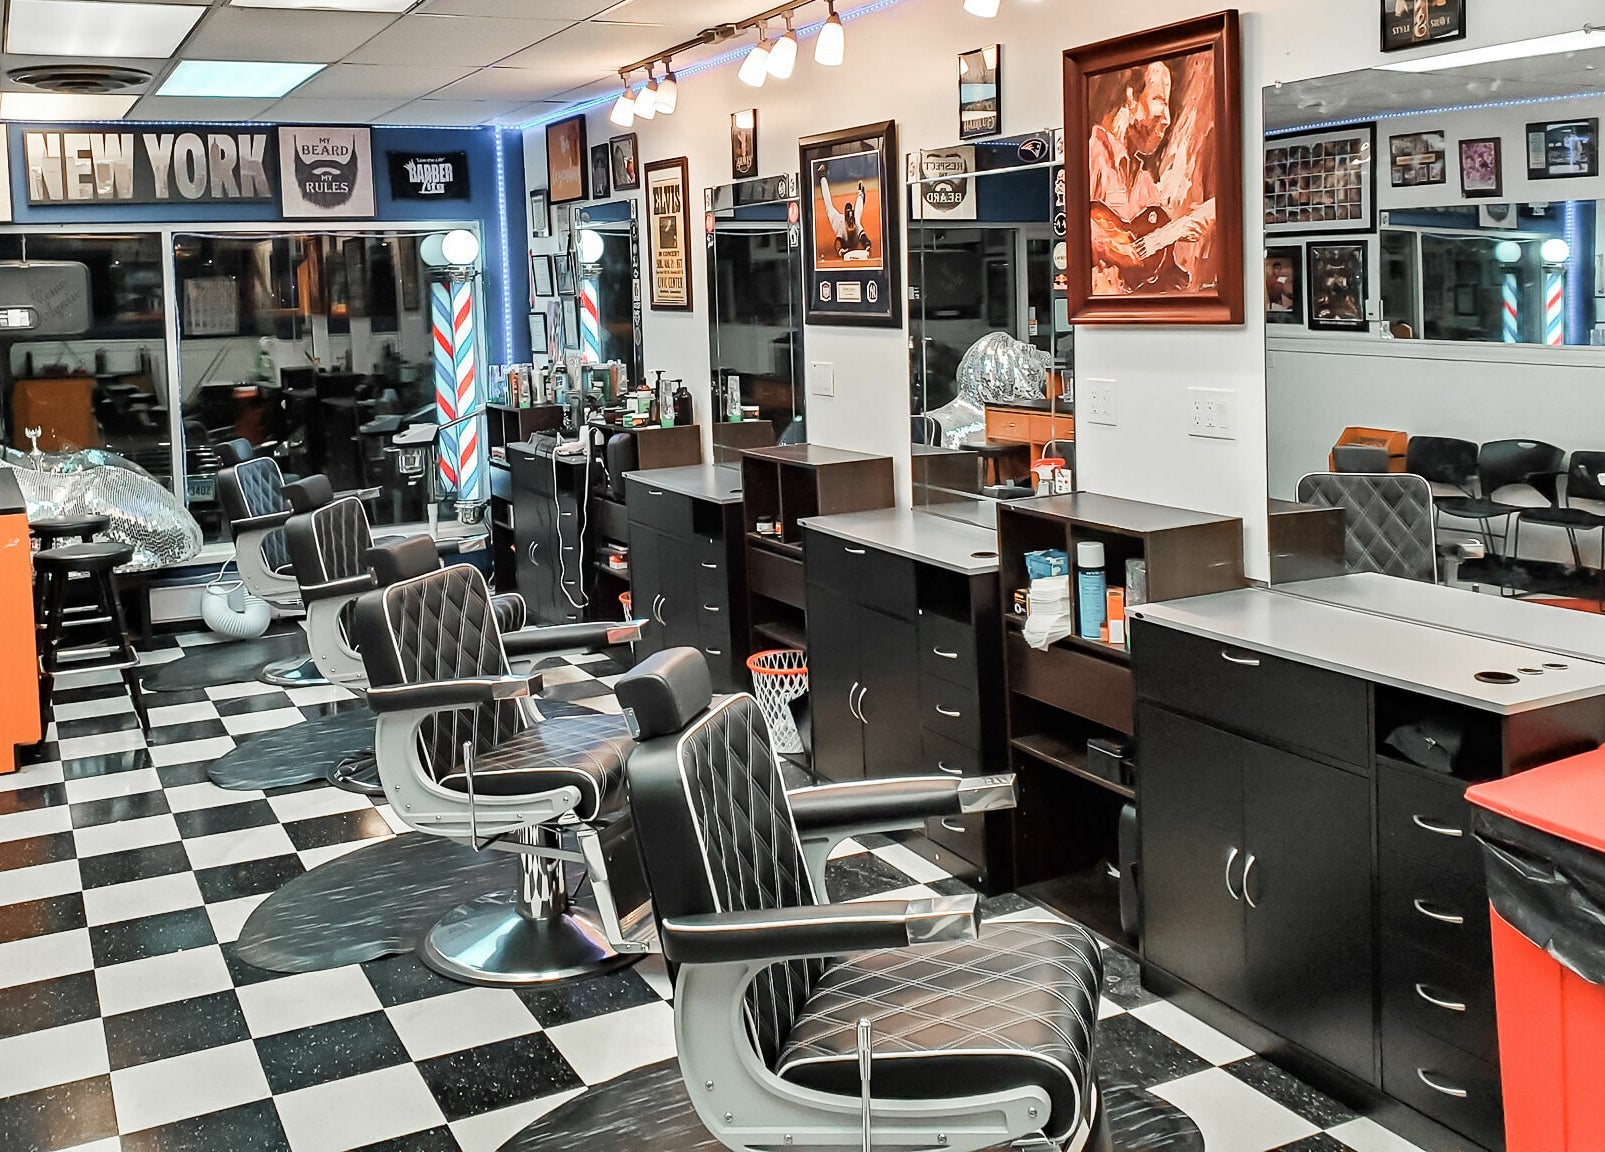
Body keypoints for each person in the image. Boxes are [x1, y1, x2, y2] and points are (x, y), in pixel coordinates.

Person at [1087, 60, 1215, 295]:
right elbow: (1085, 236)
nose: (1167, 118)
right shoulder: (1091, 155)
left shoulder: (1145, 183)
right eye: (1160, 101)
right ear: (1131, 97)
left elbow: (1161, 271)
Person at [820, 174, 872, 260]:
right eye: (849, 225)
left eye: (852, 224)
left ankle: (861, 193)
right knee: (829, 206)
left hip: (854, 220)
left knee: (858, 212)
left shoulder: (856, 223)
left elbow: (864, 238)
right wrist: (840, 250)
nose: (851, 226)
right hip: (838, 221)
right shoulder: (841, 227)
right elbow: (837, 243)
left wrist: (867, 246)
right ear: (845, 223)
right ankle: (822, 177)